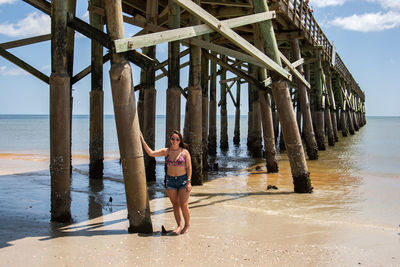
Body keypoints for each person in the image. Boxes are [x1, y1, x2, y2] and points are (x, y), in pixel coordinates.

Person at [140, 130, 192, 235]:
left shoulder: (185, 152)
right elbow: (151, 153)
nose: (175, 141)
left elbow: (189, 167)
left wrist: (189, 182)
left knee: (184, 205)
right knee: (175, 204)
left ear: (180, 140)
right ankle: (179, 225)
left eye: (177, 139)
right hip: (170, 181)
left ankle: (187, 225)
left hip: (183, 180)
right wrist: (142, 140)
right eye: (173, 139)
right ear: (170, 140)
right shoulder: (166, 151)